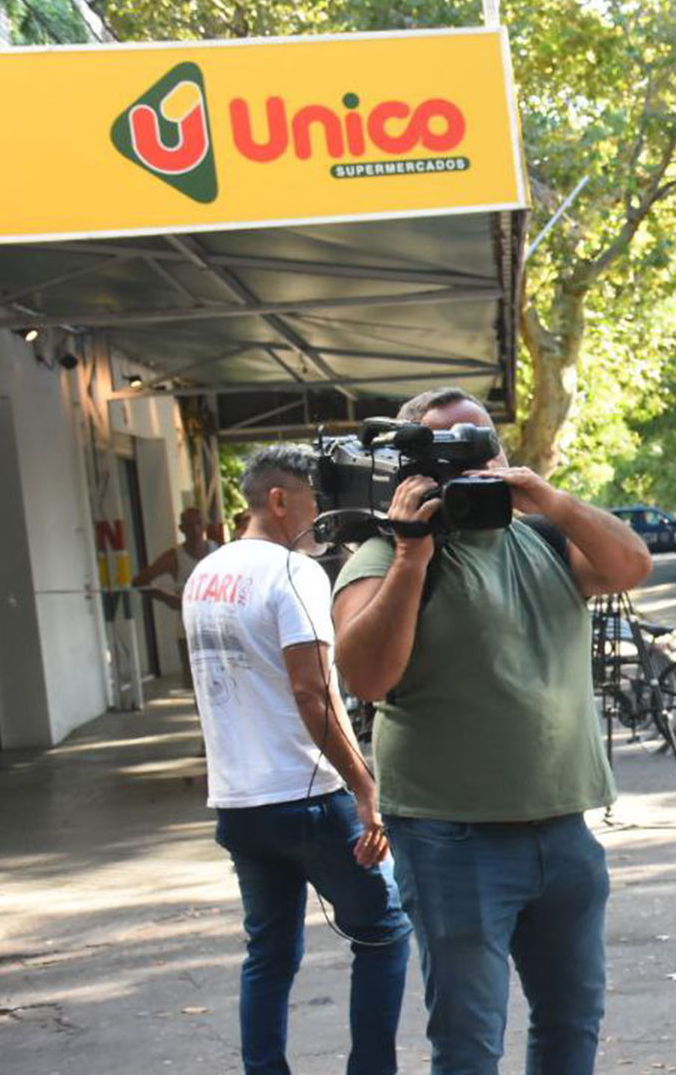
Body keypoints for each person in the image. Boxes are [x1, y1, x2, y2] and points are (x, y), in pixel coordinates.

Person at [331, 387, 652, 1074]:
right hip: (454, 840)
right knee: (470, 1045)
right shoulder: (382, 557)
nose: (472, 458)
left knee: (572, 1027)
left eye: (482, 441)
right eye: (449, 445)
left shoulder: (543, 541)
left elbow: (633, 566)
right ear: (415, 466)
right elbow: (366, 677)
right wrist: (413, 553)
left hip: (564, 831)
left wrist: (557, 502)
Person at [183, 447, 410, 1075]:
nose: (325, 517)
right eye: (316, 502)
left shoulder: (204, 575)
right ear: (280, 500)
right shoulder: (293, 573)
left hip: (237, 801)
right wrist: (365, 787)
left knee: (271, 953)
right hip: (306, 796)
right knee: (385, 932)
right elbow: (313, 692)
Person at [133, 503, 221, 679]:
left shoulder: (218, 550)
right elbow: (140, 582)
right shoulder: (175, 557)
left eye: (198, 523)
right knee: (197, 683)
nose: (195, 530)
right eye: (189, 525)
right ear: (181, 528)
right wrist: (170, 599)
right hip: (189, 629)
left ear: (205, 525)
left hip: (220, 625)